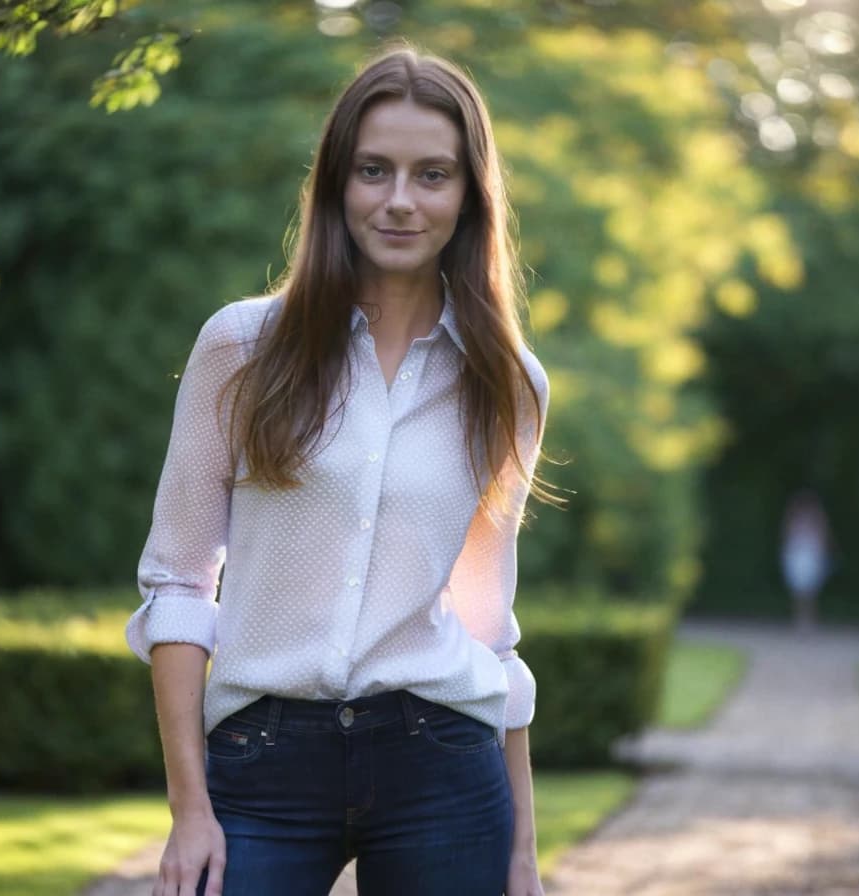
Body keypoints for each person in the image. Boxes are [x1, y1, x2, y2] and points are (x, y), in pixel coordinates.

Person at [125, 45, 551, 896]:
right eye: (373, 170)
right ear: (335, 185)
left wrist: (524, 856)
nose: (399, 200)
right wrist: (189, 808)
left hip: (442, 763)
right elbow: (176, 582)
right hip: (261, 764)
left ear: (470, 196)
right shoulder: (242, 349)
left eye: (432, 175)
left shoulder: (507, 381)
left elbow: (487, 627)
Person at [780, 489, 831, 632]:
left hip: (810, 554)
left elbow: (822, 535)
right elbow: (787, 535)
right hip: (798, 554)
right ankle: (800, 620)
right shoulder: (793, 517)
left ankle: (809, 621)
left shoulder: (817, 518)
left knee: (810, 590)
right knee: (798, 590)